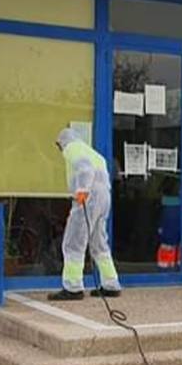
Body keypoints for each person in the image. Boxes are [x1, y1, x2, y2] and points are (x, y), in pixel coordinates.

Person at [51, 127, 121, 301]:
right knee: (99, 242)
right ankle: (111, 284)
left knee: (73, 242)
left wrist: (82, 191)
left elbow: (85, 169)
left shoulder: (72, 148)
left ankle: (73, 287)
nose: (60, 150)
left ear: (62, 141)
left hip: (88, 197)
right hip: (104, 197)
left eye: (59, 146)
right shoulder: (93, 153)